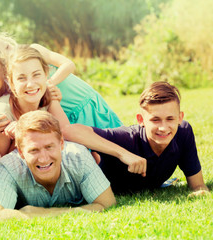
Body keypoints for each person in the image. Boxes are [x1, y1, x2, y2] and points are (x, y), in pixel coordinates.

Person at [0, 45, 145, 170]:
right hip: (15, 174)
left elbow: (67, 131)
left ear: (46, 74)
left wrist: (122, 154)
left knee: (85, 154)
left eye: (36, 75)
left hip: (39, 167)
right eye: (21, 78)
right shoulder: (1, 114)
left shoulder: (47, 97)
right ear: (11, 83)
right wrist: (21, 133)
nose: (31, 84)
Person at [65, 82, 210, 196]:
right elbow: (69, 131)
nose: (164, 127)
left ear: (180, 118)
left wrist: (199, 190)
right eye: (155, 120)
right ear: (141, 120)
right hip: (77, 186)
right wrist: (123, 154)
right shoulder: (127, 138)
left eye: (170, 119)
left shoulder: (183, 133)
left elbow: (197, 184)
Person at [0, 30, 123, 129]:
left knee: (111, 135)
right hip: (65, 114)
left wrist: (48, 84)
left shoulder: (34, 51)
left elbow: (68, 64)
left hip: (83, 103)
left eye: (7, 46)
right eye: (4, 52)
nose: (11, 51)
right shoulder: (16, 76)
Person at [0, 110, 116, 220]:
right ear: (21, 152)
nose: (43, 159)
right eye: (33, 150)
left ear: (62, 143)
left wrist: (36, 213)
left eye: (49, 147)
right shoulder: (8, 166)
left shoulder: (78, 156)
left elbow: (107, 203)